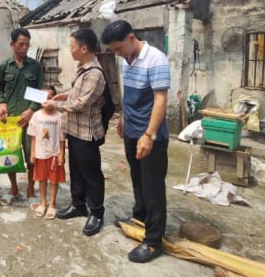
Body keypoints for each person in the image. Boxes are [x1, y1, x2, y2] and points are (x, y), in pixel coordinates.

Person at [101, 20, 170, 263]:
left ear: (131, 38)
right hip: (131, 131)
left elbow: (160, 100)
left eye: (118, 48)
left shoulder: (156, 59)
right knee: (137, 179)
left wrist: (149, 135)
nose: (116, 54)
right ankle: (140, 218)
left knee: (153, 186)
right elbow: (129, 95)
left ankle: (153, 242)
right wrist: (122, 119)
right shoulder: (126, 60)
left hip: (150, 136)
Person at [42, 28, 107, 236]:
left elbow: (81, 103)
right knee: (77, 171)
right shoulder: (83, 69)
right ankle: (78, 204)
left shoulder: (95, 74)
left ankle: (96, 212)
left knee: (91, 174)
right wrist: (61, 96)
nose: (70, 51)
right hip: (74, 130)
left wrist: (55, 106)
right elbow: (75, 93)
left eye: (72, 47)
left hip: (87, 133)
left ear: (84, 48)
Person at [0, 28, 44, 205]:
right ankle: (14, 188)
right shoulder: (4, 66)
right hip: (10, 120)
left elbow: (40, 90)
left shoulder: (35, 66)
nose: (24, 48)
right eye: (21, 44)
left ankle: (31, 189)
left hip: (30, 120)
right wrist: (1, 103)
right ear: (12, 44)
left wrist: (31, 110)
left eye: (27, 44)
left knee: (32, 155)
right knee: (10, 155)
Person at [27, 85, 65, 220]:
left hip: (54, 155)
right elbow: (33, 137)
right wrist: (32, 153)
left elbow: (62, 138)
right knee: (42, 179)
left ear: (55, 99)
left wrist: (61, 154)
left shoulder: (59, 117)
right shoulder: (36, 116)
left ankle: (52, 204)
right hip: (40, 154)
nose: (46, 101)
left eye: (50, 98)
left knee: (54, 181)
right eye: (43, 98)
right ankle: (43, 202)